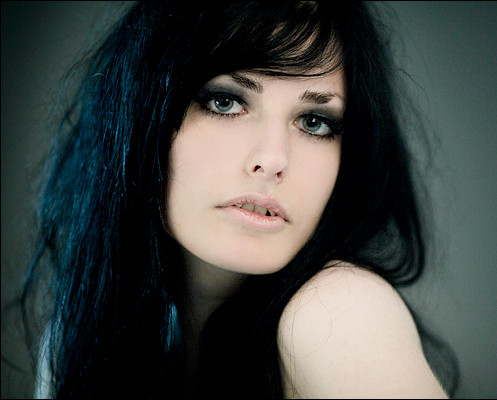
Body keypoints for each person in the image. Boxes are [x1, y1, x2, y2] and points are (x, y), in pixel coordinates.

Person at [20, 1, 458, 398]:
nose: (273, 159)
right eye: (226, 102)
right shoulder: (79, 339)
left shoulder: (337, 311)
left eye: (314, 122)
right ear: (141, 113)